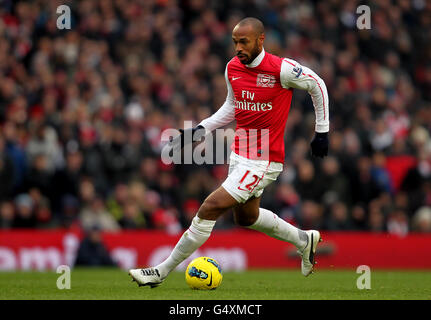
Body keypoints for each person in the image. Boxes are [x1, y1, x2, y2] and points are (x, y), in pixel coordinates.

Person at [129, 17, 329, 287]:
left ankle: (160, 272)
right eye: (235, 42)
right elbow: (233, 106)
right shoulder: (233, 67)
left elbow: (317, 85)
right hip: (240, 153)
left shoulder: (281, 69)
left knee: (210, 207)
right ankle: (303, 240)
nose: (238, 48)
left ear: (261, 40)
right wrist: (199, 130)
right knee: (247, 217)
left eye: (243, 42)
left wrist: (322, 130)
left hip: (264, 159)